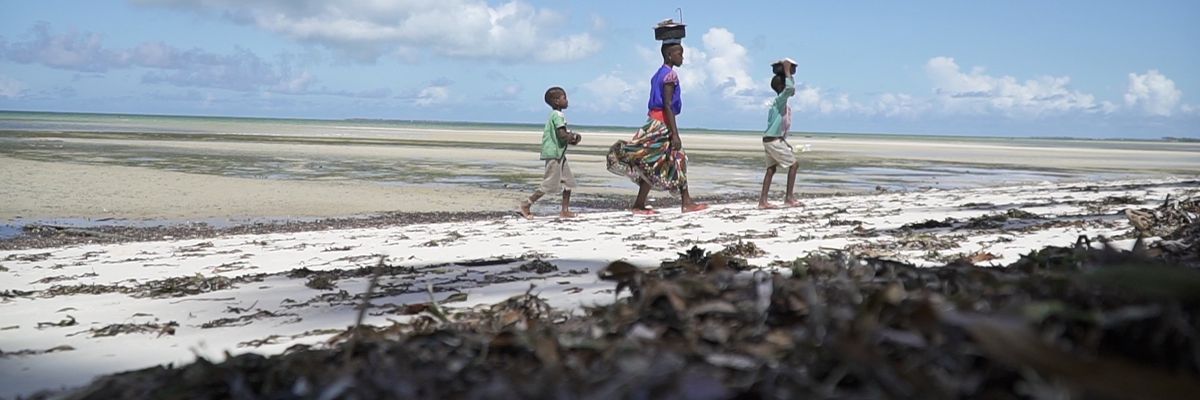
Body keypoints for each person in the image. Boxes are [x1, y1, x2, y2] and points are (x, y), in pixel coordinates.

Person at [606, 42, 708, 215]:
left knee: (652, 163)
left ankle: (640, 204)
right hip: (662, 125)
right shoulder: (670, 76)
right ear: (669, 55)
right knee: (678, 159)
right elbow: (667, 105)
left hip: (653, 122)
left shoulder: (657, 75)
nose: (682, 57)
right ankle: (686, 202)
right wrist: (674, 134)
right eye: (679, 54)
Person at [520, 86, 582, 219]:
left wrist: (571, 138)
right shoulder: (557, 115)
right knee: (548, 183)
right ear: (556, 101)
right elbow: (561, 134)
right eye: (564, 98)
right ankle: (526, 204)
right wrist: (573, 137)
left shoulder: (557, 115)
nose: (567, 100)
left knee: (568, 182)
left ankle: (564, 210)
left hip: (559, 154)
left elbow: (562, 135)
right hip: (554, 153)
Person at [759, 59, 802, 209]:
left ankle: (763, 202)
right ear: (782, 87)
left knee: (771, 169)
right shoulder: (779, 101)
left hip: (770, 139)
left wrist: (785, 143)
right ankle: (789, 198)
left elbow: (777, 128)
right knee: (794, 165)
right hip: (772, 140)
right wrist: (787, 70)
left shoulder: (778, 104)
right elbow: (790, 89)